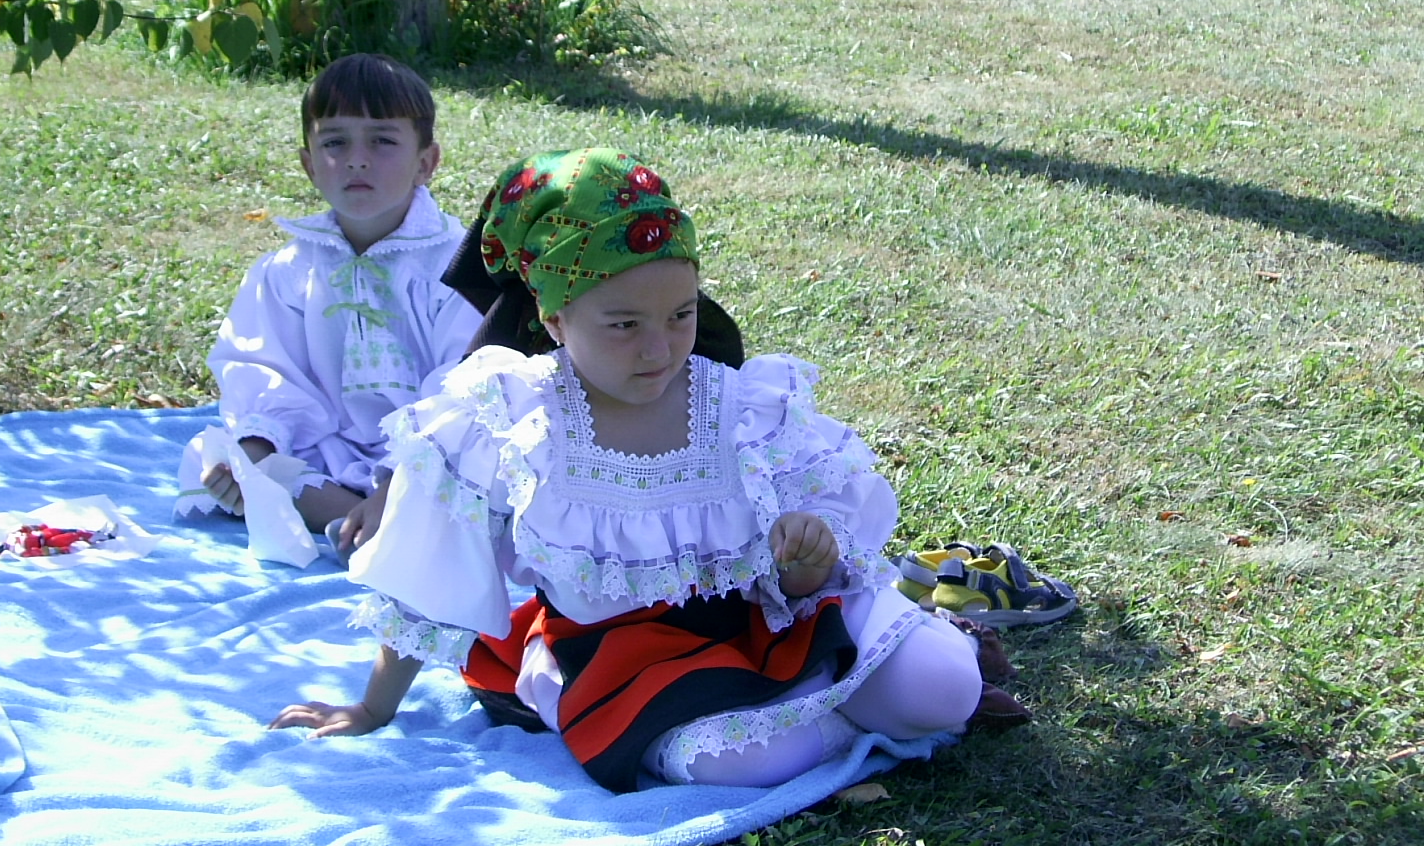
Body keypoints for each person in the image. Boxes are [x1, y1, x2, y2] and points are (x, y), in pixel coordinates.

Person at [271, 148, 1023, 789]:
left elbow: (810, 563)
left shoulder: (743, 406)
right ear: (555, 317)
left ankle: (878, 680)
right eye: (624, 325)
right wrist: (373, 707)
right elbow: (427, 573)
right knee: (757, 759)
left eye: (681, 314)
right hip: (629, 660)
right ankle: (839, 708)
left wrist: (807, 554)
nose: (660, 350)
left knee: (946, 687)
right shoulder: (511, 418)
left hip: (768, 619)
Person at [175, 54, 481, 554]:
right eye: (335, 143)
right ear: (309, 164)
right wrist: (256, 447)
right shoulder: (291, 270)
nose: (357, 160)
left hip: (430, 453)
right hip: (328, 449)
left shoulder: (455, 265)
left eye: (382, 141)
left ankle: (382, 518)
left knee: (476, 471)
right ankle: (355, 524)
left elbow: (465, 382)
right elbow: (263, 367)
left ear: (426, 162)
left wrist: (401, 472)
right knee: (221, 458)